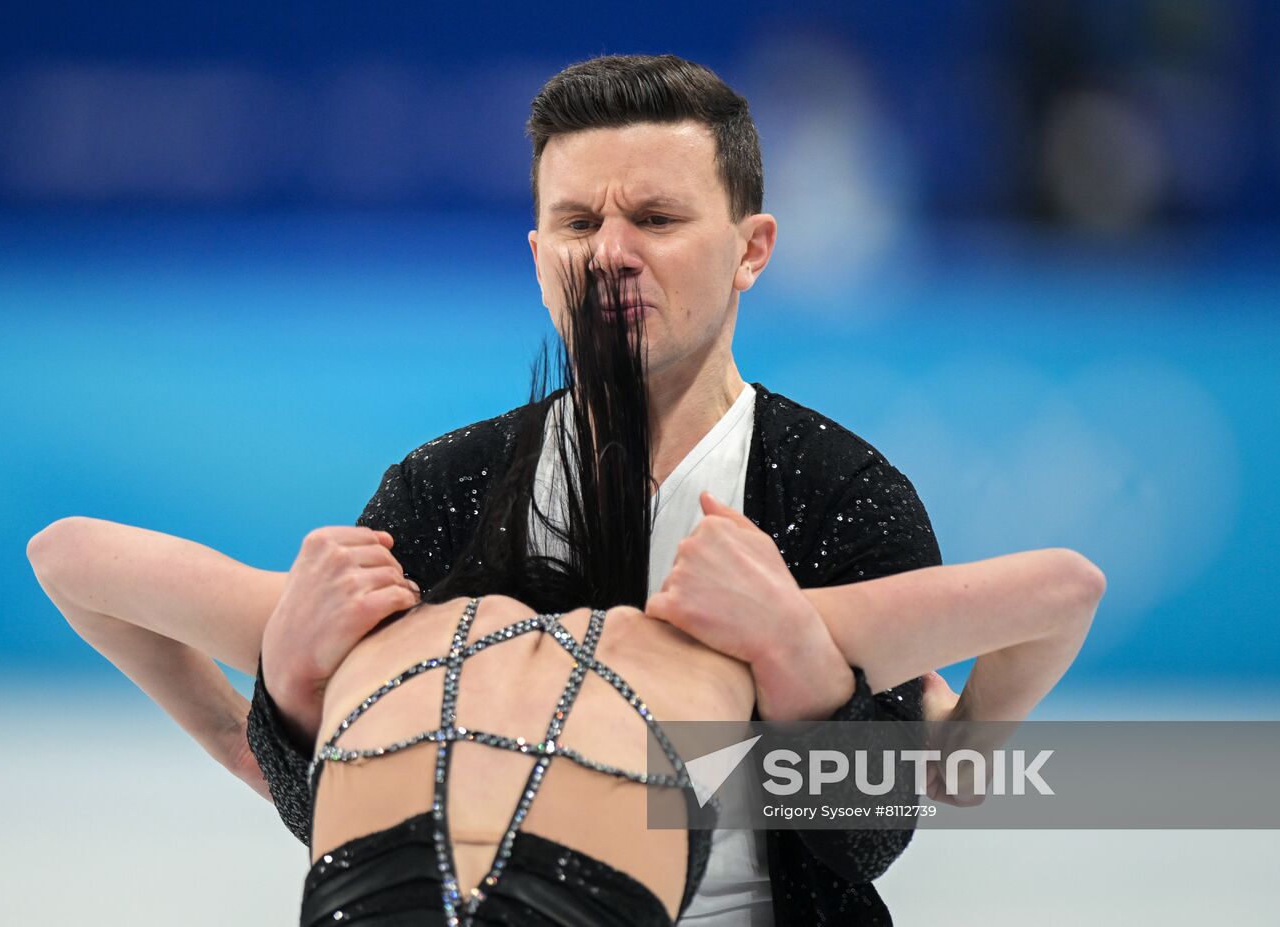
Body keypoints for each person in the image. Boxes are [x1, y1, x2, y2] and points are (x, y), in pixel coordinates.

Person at [27, 261, 1105, 926]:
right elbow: (1061, 588)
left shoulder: (382, 624)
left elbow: (68, 555)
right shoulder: (725, 647)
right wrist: (927, 730)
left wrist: (263, 728)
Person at [254, 54, 944, 924]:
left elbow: (867, 836)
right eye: (579, 222)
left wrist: (801, 668)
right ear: (541, 258)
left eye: (656, 218)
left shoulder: (839, 493)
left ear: (752, 248)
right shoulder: (441, 489)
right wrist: (289, 691)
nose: (611, 254)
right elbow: (345, 820)